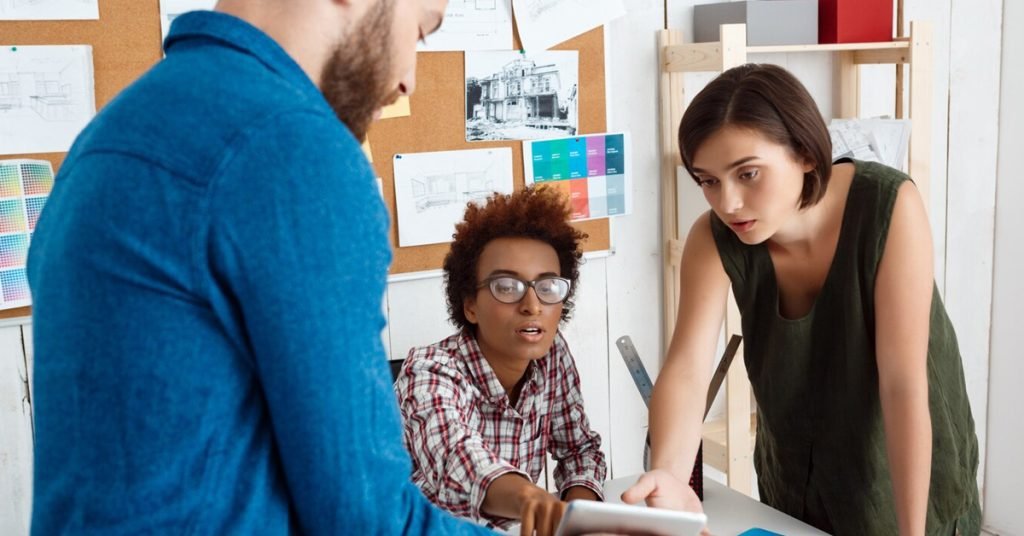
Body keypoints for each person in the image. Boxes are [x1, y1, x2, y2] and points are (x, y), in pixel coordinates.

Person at [26, 0, 493, 533]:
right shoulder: (293, 147)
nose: (408, 79)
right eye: (422, 28)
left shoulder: (108, 136)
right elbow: (368, 520)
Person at [622, 64, 980, 535]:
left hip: (905, 476)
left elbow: (902, 385)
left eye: (747, 173)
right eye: (708, 181)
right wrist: (668, 477)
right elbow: (688, 368)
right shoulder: (713, 239)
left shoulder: (889, 205)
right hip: (798, 479)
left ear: (807, 154)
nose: (727, 202)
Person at [394, 186, 607, 535]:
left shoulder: (551, 354)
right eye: (507, 287)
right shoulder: (429, 370)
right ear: (470, 305)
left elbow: (579, 449)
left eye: (548, 286)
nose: (532, 305)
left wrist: (574, 515)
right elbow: (456, 459)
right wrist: (529, 499)